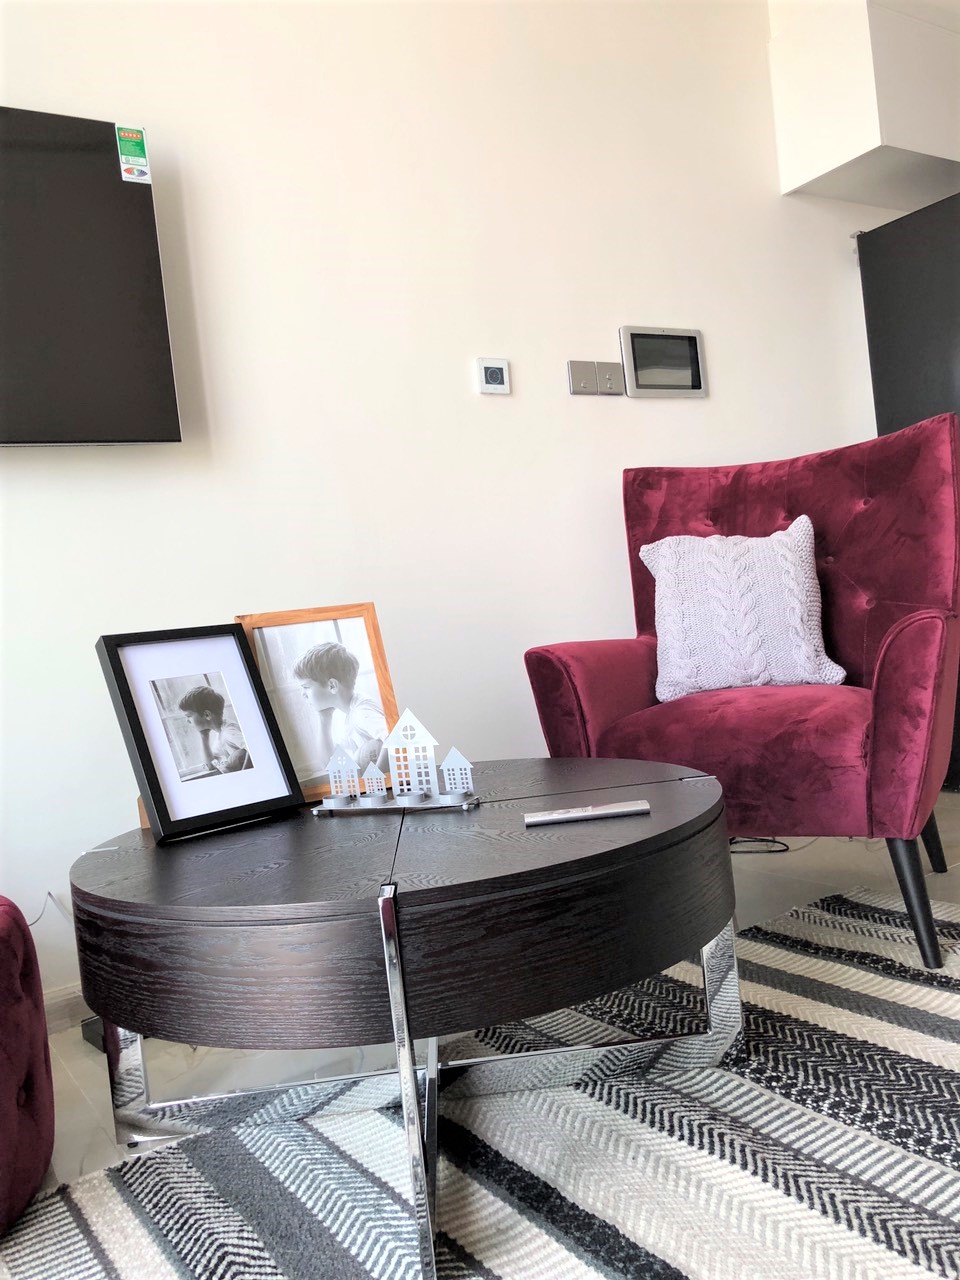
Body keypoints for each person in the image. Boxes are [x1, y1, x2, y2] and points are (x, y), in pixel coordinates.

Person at [293, 642, 387, 772]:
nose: (303, 694)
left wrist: (379, 778)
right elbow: (329, 765)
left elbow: (393, 738)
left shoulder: (361, 713)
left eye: (306, 687)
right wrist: (324, 719)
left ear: (332, 686)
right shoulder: (349, 714)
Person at [178, 685, 251, 774]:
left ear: (207, 715)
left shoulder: (229, 732)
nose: (187, 721)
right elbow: (210, 765)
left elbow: (253, 749)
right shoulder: (220, 733)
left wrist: (244, 774)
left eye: (189, 716)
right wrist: (204, 736)